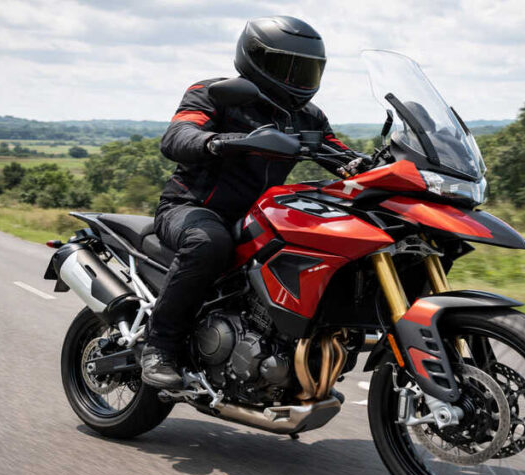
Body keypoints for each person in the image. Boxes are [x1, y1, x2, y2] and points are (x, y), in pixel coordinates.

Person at [140, 15, 361, 389]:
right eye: (284, 67)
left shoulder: (306, 116)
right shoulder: (214, 93)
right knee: (210, 244)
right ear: (255, 59)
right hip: (190, 208)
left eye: (306, 70)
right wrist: (218, 142)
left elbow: (341, 157)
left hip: (257, 217)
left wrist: (378, 166)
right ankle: (158, 346)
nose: (296, 79)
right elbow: (177, 136)